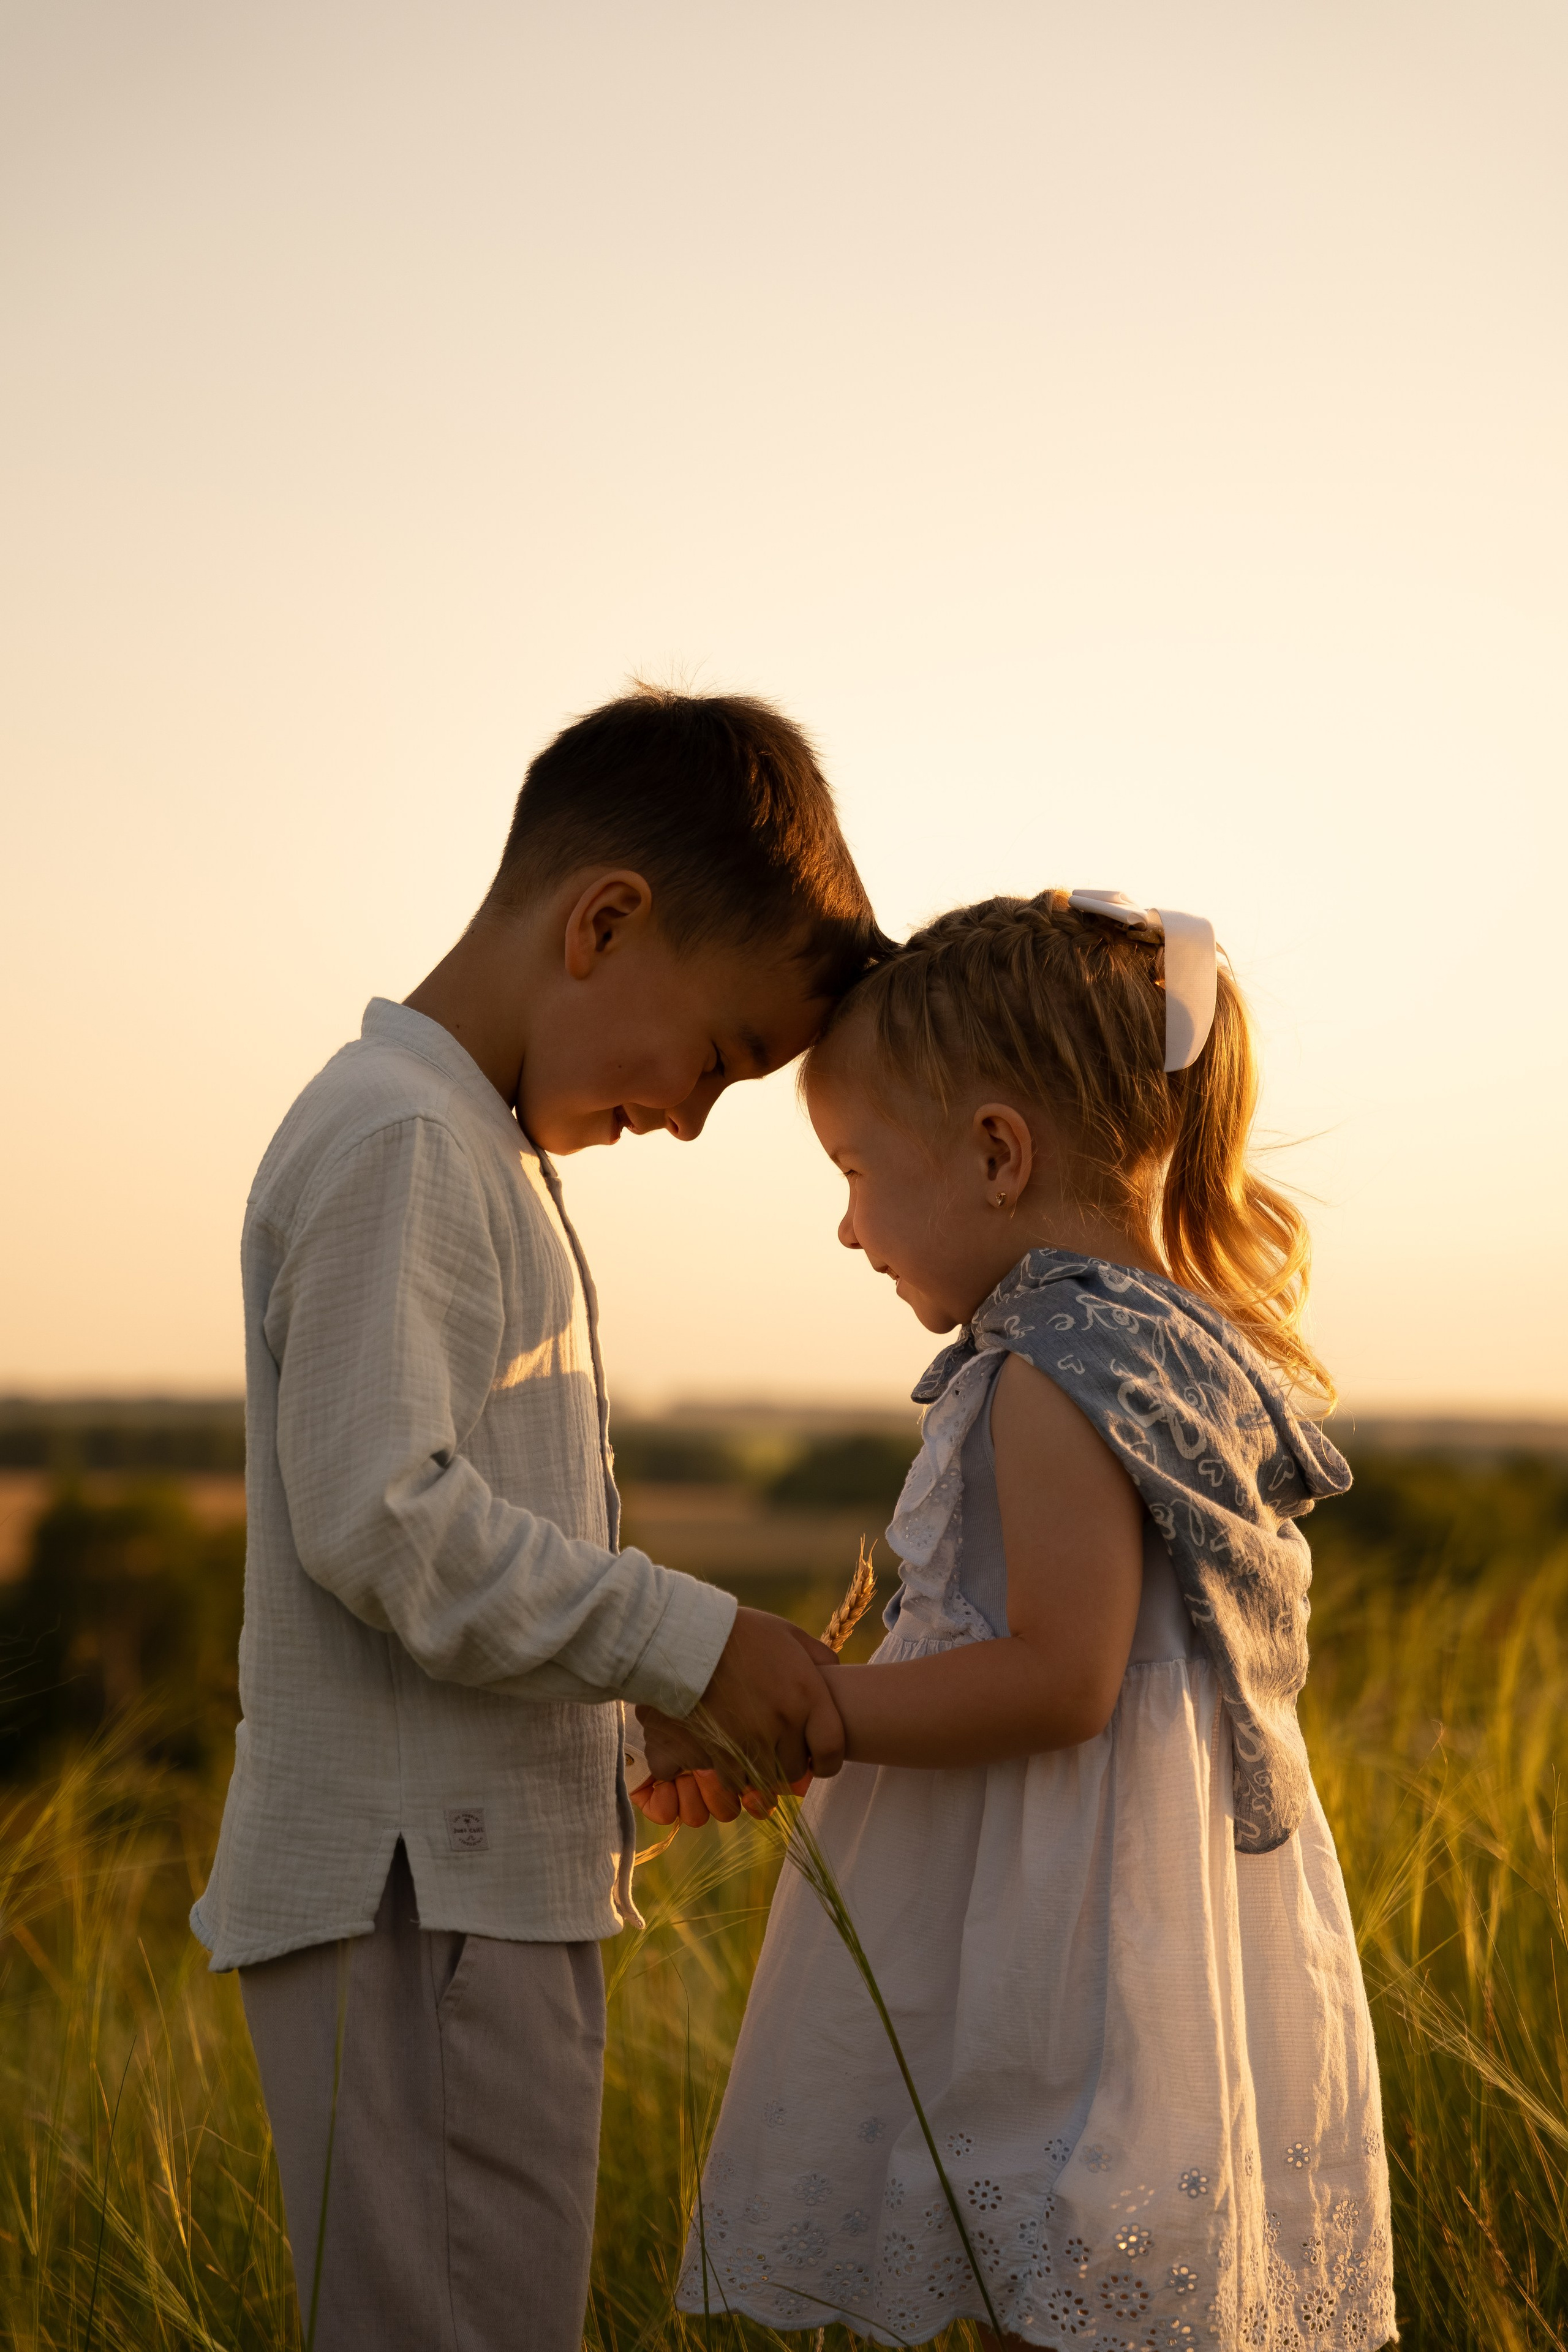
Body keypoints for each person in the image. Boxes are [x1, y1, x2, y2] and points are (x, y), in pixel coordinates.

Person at [190, 687, 882, 2352]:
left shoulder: (465, 1145)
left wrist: (636, 1721)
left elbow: (443, 1569)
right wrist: (693, 1636)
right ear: (605, 922)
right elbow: (388, 1525)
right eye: (716, 1058)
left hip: (466, 1885)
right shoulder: (408, 1141)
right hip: (422, 1908)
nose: (695, 1115)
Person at [652, 888, 1396, 2351]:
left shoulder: (1049, 1368)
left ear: (997, 1153)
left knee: (1042, 2266)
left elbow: (1061, 1679)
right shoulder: (1165, 1341)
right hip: (1146, 1906)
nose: (848, 1223)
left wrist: (818, 1710)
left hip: (1057, 1934)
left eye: (859, 1168)